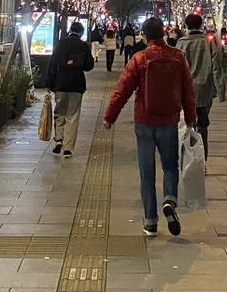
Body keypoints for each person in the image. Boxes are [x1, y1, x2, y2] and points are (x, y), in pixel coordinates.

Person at [104, 16, 196, 237]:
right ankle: (169, 200)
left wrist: (110, 117)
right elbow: (188, 90)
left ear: (144, 36)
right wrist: (190, 118)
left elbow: (122, 90)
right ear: (163, 33)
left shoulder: (140, 58)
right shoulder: (178, 57)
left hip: (144, 121)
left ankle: (150, 222)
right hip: (169, 120)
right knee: (170, 165)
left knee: (147, 173)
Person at [177, 15, 225, 159]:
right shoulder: (208, 42)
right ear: (201, 25)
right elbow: (216, 68)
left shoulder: (181, 43)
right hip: (204, 90)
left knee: (187, 125)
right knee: (203, 126)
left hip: (185, 92)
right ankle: (202, 158)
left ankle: (188, 158)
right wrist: (221, 91)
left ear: (186, 25)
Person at [45, 21, 94, 158]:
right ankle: (68, 148)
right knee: (73, 115)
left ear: (70, 30)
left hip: (60, 84)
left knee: (59, 112)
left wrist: (49, 83)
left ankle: (59, 139)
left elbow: (52, 64)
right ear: (81, 32)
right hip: (76, 85)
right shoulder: (83, 45)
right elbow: (89, 66)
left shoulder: (60, 44)